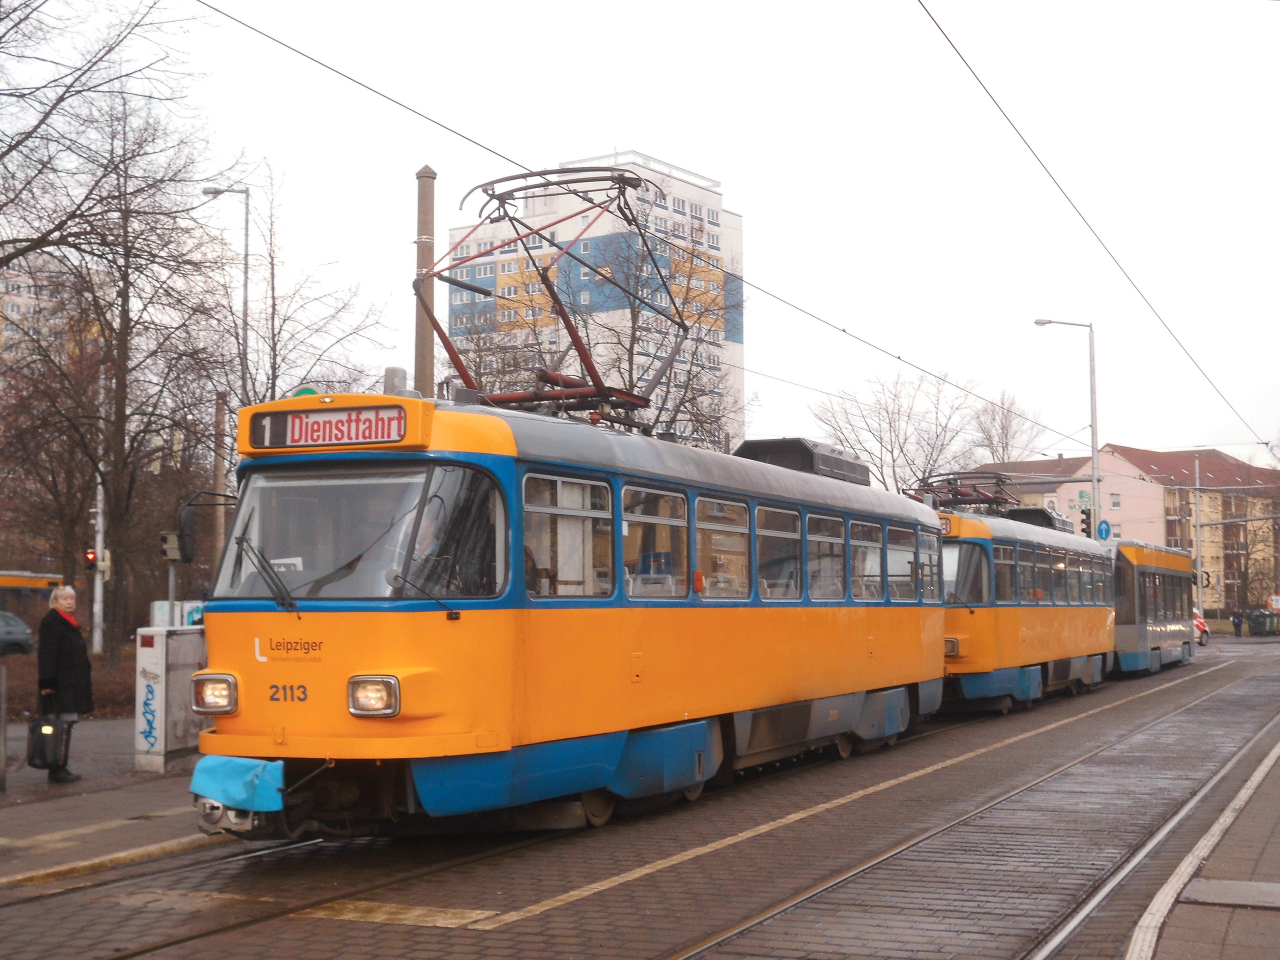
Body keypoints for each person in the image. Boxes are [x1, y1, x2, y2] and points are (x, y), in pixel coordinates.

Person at [37, 585, 93, 784]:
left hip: (72, 685)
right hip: (59, 686)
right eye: (65, 599)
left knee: (66, 725)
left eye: (72, 598)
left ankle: (61, 765)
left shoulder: (70, 623)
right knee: (59, 726)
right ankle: (56, 768)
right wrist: (46, 683)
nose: (70, 602)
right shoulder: (52, 622)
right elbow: (46, 655)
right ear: (55, 602)